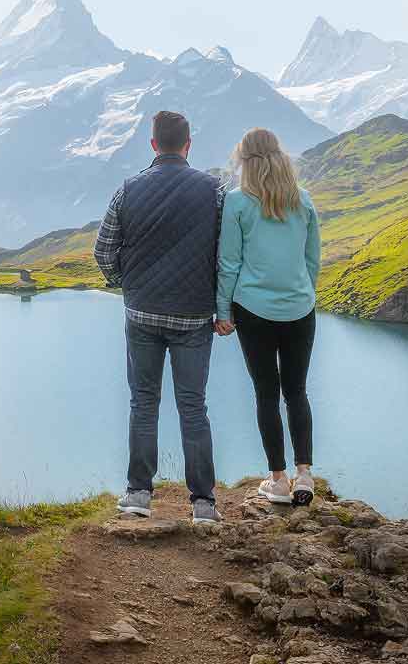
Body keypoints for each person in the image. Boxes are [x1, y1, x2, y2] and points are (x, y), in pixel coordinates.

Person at [94, 110, 226, 525]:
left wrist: (126, 283)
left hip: (142, 313)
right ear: (188, 144)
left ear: (153, 145)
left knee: (143, 403)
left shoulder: (127, 190)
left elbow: (103, 252)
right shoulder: (215, 191)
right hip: (193, 317)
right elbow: (229, 255)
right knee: (193, 406)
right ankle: (203, 503)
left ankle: (138, 494)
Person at [214, 127, 322, 507]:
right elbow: (312, 261)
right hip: (300, 309)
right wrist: (302, 295)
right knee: (297, 391)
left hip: (253, 310)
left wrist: (223, 311)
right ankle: (305, 474)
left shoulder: (238, 202)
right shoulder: (303, 201)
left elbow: (229, 262)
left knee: (266, 393)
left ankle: (277, 481)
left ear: (244, 161)